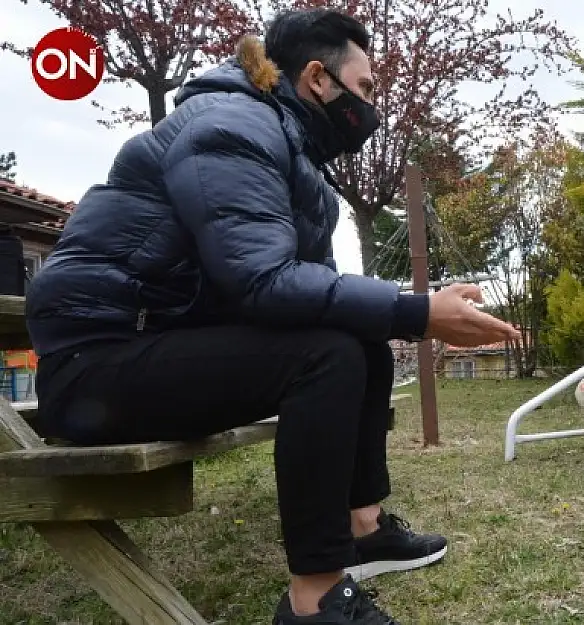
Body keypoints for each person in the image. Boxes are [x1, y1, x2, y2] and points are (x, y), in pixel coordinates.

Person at [25, 8, 519, 625]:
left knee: (356, 342)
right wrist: (415, 310)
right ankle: (314, 601)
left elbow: (308, 290)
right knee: (328, 356)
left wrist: (404, 309)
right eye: (363, 90)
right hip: (96, 363)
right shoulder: (231, 127)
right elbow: (264, 283)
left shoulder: (285, 144)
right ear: (317, 77)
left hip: (153, 342)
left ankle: (361, 530)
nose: (370, 108)